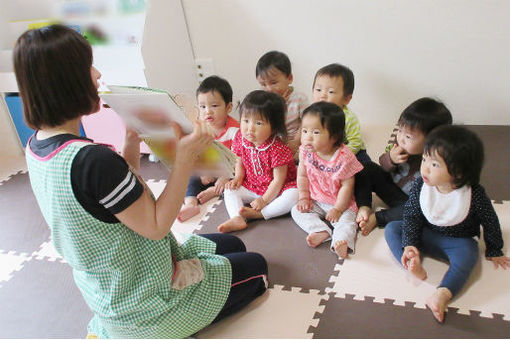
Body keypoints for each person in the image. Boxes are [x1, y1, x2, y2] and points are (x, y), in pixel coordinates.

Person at [15, 24, 267, 338]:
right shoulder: (92, 160)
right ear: (66, 83)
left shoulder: (38, 145)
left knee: (231, 244)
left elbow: (111, 205)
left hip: (116, 285)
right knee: (257, 267)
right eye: (87, 67)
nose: (97, 75)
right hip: (147, 301)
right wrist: (185, 159)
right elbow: (156, 225)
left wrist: (130, 146)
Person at [384, 125, 510, 323]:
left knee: (469, 254)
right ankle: (409, 261)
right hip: (426, 233)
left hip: (458, 241)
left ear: (458, 173)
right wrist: (410, 244)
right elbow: (412, 215)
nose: (424, 168)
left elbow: (490, 219)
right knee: (392, 228)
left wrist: (494, 248)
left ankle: (442, 293)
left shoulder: (473, 194)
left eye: (434, 165)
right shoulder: (422, 184)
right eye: (425, 159)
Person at [355, 98, 452, 235]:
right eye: (399, 130)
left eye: (408, 136)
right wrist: (391, 159)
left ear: (432, 140)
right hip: (391, 185)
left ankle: (378, 218)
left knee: (423, 211)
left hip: (410, 202)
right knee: (365, 167)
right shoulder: (399, 143)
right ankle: (364, 206)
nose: (401, 138)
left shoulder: (436, 160)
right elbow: (383, 165)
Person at [218, 90, 299, 233]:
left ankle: (260, 214)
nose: (250, 128)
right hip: (252, 185)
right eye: (246, 120)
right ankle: (237, 218)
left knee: (295, 195)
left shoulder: (277, 148)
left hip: (277, 190)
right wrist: (238, 177)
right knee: (229, 190)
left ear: (273, 127)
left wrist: (264, 201)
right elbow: (239, 160)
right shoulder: (240, 139)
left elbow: (278, 181)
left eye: (259, 123)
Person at [291, 102, 363, 259]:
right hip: (316, 199)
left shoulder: (344, 157)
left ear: (334, 136)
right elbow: (302, 175)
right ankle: (320, 230)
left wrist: (338, 209)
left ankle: (341, 241)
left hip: (340, 203)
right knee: (296, 210)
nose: (308, 136)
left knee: (348, 222)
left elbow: (347, 185)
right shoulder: (305, 151)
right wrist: (304, 197)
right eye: (304, 131)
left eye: (316, 132)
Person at [178, 75, 240, 222]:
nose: (208, 111)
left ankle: (214, 192)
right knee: (190, 176)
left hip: (229, 171)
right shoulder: (200, 127)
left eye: (214, 106)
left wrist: (224, 177)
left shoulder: (235, 130)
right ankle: (190, 203)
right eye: (203, 106)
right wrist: (203, 172)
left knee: (238, 183)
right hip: (208, 171)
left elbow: (238, 159)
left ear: (228, 107)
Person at [311, 63, 370, 164]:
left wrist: (339, 156)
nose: (322, 95)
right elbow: (308, 134)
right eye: (318, 90)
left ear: (346, 99)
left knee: (365, 168)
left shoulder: (348, 118)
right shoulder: (312, 116)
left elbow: (355, 142)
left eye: (330, 92)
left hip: (351, 152)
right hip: (323, 151)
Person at [256, 50, 309, 159]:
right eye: (263, 84)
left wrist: (296, 141)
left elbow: (306, 123)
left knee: (306, 156)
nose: (269, 89)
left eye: (274, 83)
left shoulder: (299, 98)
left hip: (297, 142)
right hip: (274, 144)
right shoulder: (265, 102)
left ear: (289, 78)